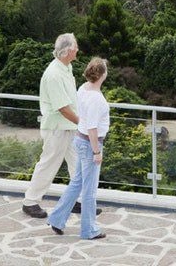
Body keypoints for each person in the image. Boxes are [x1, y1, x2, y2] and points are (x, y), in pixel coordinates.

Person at [47, 56, 110, 240]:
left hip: (79, 140)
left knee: (77, 184)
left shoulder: (83, 88)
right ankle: (89, 230)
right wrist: (97, 151)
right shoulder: (96, 99)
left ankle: (57, 219)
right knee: (89, 190)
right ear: (102, 74)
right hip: (91, 143)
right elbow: (92, 128)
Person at [21, 33, 81, 218]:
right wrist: (83, 123)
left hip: (69, 126)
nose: (78, 49)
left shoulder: (66, 67)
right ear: (69, 51)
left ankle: (75, 200)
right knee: (49, 163)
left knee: (78, 163)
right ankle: (30, 202)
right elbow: (62, 107)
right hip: (57, 128)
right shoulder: (54, 74)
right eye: (76, 47)